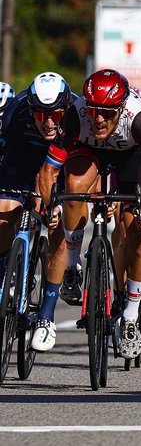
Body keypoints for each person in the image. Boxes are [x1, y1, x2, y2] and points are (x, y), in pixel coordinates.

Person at [37, 69, 141, 358]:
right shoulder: (76, 116)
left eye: (107, 113)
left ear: (121, 109)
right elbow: (49, 171)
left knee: (137, 231)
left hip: (131, 157)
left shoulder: (138, 119)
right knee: (74, 186)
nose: (98, 119)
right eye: (93, 111)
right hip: (90, 151)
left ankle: (131, 316)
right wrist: (51, 206)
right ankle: (73, 265)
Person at [0, 72, 73, 351]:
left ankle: (46, 316)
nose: (49, 122)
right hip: (23, 159)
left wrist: (57, 202)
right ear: (31, 110)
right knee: (5, 210)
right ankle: (4, 272)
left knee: (57, 227)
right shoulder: (14, 113)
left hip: (62, 165)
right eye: (41, 115)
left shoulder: (76, 117)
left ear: (66, 108)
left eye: (55, 114)